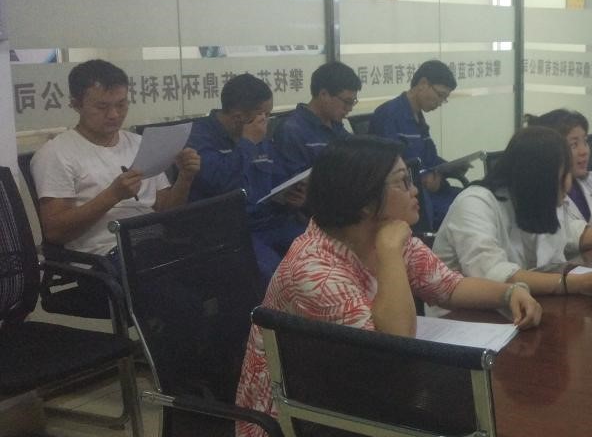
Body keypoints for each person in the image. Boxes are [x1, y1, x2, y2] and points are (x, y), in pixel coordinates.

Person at [235, 135, 542, 437]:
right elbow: (394, 348)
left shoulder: (384, 234)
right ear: (366, 202)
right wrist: (390, 252)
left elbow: (448, 286)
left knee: (478, 432)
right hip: (295, 433)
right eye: (402, 182)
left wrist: (510, 292)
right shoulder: (315, 271)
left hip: (356, 397)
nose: (415, 190)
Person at [30, 58, 200, 262]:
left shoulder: (140, 144)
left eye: (121, 104)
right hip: (104, 256)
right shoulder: (56, 153)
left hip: (154, 244)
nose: (114, 115)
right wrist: (113, 195)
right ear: (76, 104)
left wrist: (185, 177)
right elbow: (55, 232)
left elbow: (167, 211)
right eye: (102, 107)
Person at [433, 127, 592, 297]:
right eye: (564, 175)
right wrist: (572, 283)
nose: (569, 184)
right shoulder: (475, 204)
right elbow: (493, 275)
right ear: (539, 178)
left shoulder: (538, 201)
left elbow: (554, 261)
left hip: (525, 304)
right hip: (465, 318)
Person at [187, 74, 307, 283]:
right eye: (263, 115)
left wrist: (291, 197)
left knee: (326, 252)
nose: (266, 121)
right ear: (238, 117)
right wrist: (248, 143)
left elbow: (278, 179)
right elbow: (220, 183)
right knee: (275, 276)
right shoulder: (199, 137)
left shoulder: (259, 136)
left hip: (271, 221)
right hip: (230, 231)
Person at [370, 59, 466, 230]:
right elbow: (390, 165)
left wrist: (451, 167)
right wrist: (424, 177)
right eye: (440, 95)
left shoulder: (419, 118)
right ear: (423, 84)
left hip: (430, 191)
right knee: (463, 212)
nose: (440, 102)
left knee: (471, 199)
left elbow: (430, 157)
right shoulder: (389, 115)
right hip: (411, 196)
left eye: (444, 98)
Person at [273, 60, 359, 176]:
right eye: (347, 102)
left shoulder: (337, 126)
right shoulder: (291, 131)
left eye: (353, 102)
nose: (349, 108)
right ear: (324, 94)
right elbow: (295, 182)